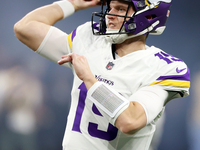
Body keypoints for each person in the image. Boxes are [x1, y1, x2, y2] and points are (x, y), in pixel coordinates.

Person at [14, 0, 190, 149]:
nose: (110, 15)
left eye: (120, 9)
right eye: (110, 7)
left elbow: (129, 120)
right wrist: (73, 4)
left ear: (149, 15)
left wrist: (90, 80)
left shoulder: (163, 67)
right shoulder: (90, 39)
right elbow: (25, 28)